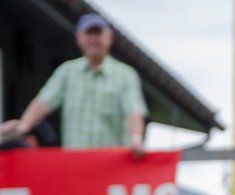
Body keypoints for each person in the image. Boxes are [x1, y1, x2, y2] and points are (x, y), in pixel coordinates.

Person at [0, 13, 147, 155]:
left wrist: (136, 138)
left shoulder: (125, 75)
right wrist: (22, 127)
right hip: (75, 161)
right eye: (89, 33)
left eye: (98, 33)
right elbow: (44, 101)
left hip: (111, 161)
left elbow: (133, 110)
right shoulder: (67, 72)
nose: (94, 38)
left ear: (109, 38)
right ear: (79, 38)